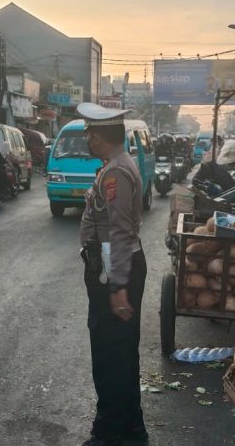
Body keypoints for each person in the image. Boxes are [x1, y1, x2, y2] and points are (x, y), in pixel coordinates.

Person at [76, 103, 147, 446]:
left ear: (100, 136)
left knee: (110, 354)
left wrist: (118, 286)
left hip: (115, 268)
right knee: (120, 351)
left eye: (89, 133)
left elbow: (119, 233)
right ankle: (132, 430)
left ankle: (109, 434)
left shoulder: (116, 173)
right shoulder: (113, 166)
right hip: (112, 266)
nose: (87, 139)